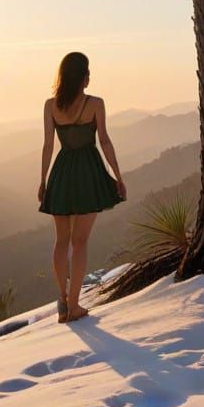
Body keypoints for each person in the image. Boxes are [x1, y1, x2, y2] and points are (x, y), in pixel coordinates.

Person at [38, 51, 127, 322]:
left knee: (61, 239)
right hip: (89, 172)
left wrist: (42, 181)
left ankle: (62, 299)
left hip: (62, 173)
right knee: (80, 241)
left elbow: (48, 146)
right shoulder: (95, 104)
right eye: (88, 71)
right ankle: (74, 305)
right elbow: (105, 142)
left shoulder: (50, 105)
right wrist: (118, 176)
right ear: (83, 76)